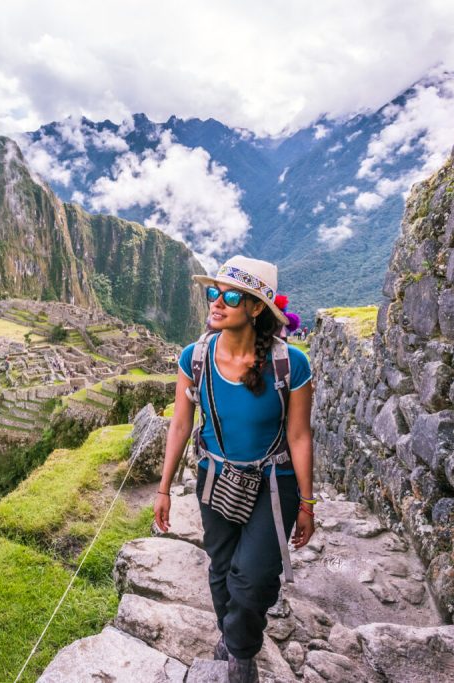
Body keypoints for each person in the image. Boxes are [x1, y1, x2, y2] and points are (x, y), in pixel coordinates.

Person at [153, 255, 316, 683]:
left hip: (273, 482)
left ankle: (240, 656)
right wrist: (164, 487)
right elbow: (182, 423)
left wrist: (307, 502)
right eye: (213, 293)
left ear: (257, 307)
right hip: (216, 476)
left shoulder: (289, 364)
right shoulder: (196, 357)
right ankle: (234, 638)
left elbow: (299, 436)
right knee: (222, 567)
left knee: (256, 576)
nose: (216, 303)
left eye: (229, 296)